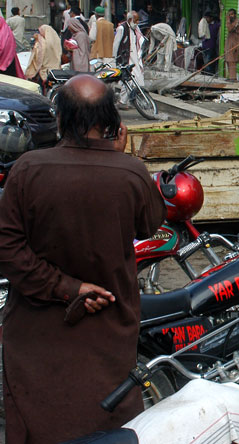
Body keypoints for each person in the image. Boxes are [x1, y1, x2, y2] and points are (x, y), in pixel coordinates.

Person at [0, 75, 165, 442]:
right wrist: (122, 158)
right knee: (107, 424)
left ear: (60, 119)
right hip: (108, 333)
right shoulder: (130, 172)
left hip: (35, 336)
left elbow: (7, 249)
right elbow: (151, 224)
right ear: (110, 121)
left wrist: (67, 287)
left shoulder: (28, 169)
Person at [112, 11, 145, 109]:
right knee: (129, 80)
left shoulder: (135, 29)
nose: (137, 22)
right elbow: (116, 45)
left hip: (134, 58)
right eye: (136, 20)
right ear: (130, 20)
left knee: (135, 80)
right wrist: (115, 59)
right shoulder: (122, 28)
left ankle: (126, 101)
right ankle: (123, 101)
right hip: (126, 59)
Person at [225, 9, 239, 80]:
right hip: (229, 43)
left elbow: (230, 29)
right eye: (229, 14)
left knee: (232, 60)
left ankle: (233, 78)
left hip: (234, 44)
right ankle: (230, 76)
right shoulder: (231, 22)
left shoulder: (237, 22)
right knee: (228, 60)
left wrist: (228, 20)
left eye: (232, 14)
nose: (231, 16)